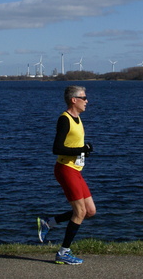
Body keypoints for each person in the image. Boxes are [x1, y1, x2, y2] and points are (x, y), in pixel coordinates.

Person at [37, 85, 95, 265]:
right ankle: (63, 252)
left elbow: (74, 144)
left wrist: (85, 150)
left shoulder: (78, 118)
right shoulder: (64, 119)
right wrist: (82, 150)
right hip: (65, 170)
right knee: (80, 211)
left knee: (90, 211)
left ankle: (49, 222)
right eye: (84, 98)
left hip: (76, 170)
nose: (87, 101)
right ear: (74, 100)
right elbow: (57, 148)